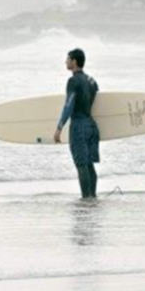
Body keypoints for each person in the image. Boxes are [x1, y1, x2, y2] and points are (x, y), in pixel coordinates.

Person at [54, 48, 100, 199]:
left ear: (74, 62)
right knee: (89, 165)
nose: (65, 61)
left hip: (79, 126)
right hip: (91, 126)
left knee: (81, 165)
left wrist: (59, 127)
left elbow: (69, 105)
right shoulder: (92, 81)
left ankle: (86, 199)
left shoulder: (73, 81)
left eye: (68, 59)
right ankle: (92, 197)